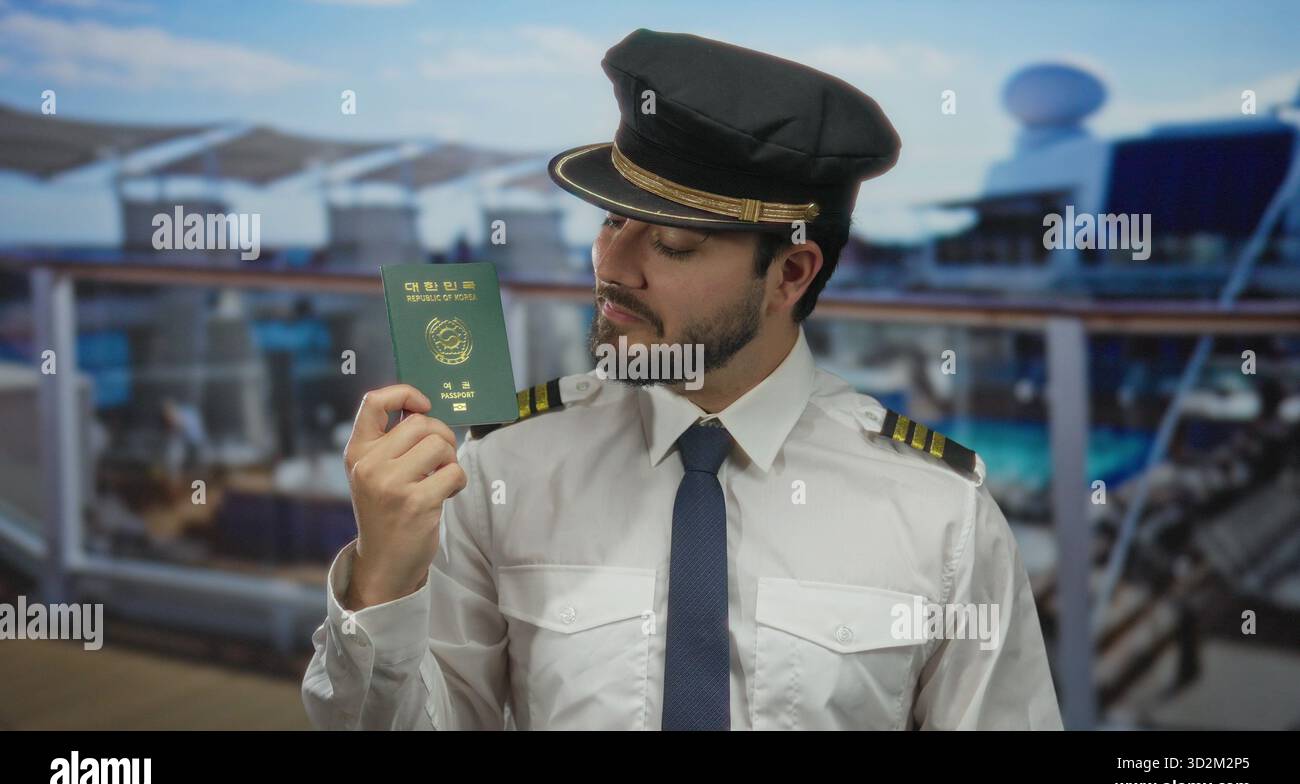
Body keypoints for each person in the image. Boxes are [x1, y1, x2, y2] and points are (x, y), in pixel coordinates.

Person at [302, 28, 1063, 730]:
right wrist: (383, 585)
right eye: (610, 220)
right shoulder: (503, 469)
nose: (613, 266)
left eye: (672, 242)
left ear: (791, 273)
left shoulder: (941, 516)